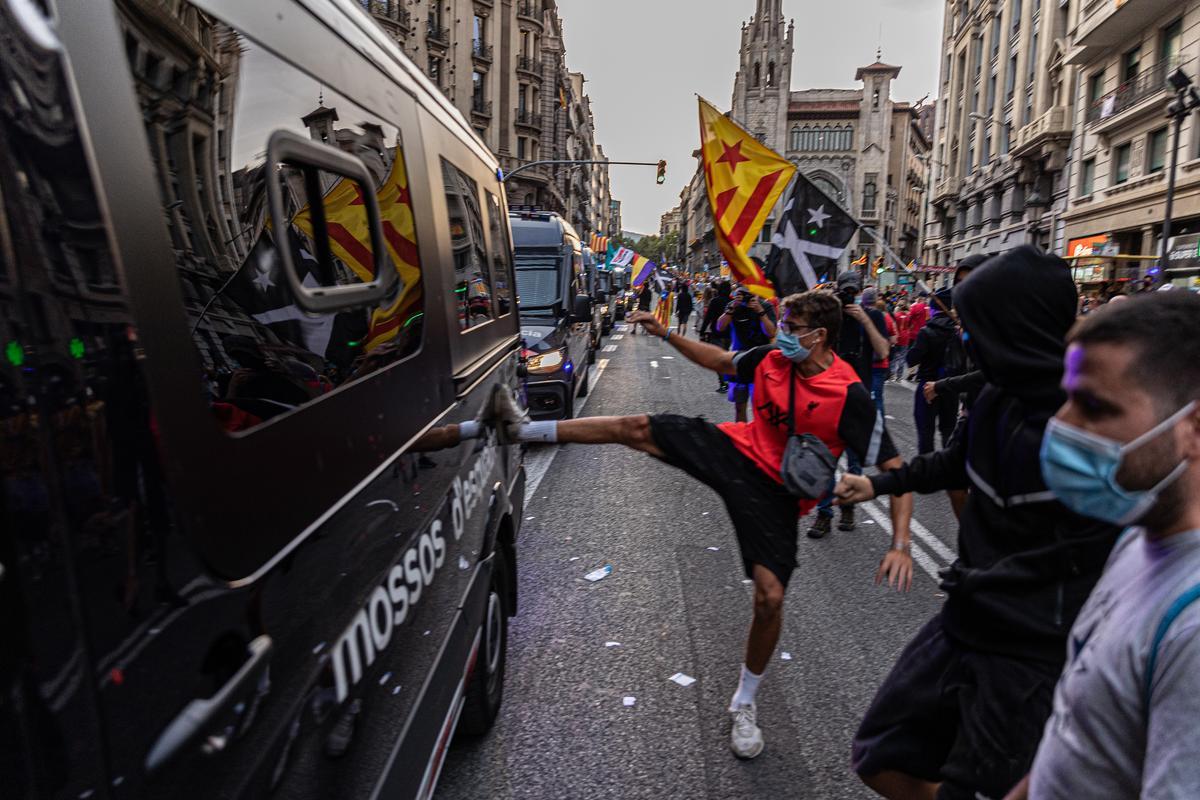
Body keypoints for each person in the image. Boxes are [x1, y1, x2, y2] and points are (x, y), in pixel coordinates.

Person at [506, 291, 914, 760]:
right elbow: (721, 361)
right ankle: (522, 429)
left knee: (770, 597)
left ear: (818, 335)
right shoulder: (772, 356)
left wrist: (900, 542)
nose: (781, 331)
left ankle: (744, 702)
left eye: (791, 324)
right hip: (736, 450)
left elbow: (897, 470)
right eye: (781, 321)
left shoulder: (849, 395)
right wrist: (667, 333)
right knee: (635, 428)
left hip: (778, 493)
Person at [835, 246, 1121, 800]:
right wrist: (879, 484)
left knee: (979, 785)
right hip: (966, 622)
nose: (968, 338)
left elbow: (1092, 558)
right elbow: (954, 462)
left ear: (1014, 327)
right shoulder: (996, 397)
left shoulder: (1088, 431)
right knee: (881, 755)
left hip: (1028, 656)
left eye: (977, 325)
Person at [1003, 292, 1200, 800]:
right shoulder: (1141, 536)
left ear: (1193, 429)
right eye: (1066, 397)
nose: (1061, 425)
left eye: (1093, 406)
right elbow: (1082, 739)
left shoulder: (1192, 629)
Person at [808, 272, 892, 538]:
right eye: (844, 292)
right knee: (825, 461)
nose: (848, 297)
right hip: (829, 397)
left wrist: (864, 318)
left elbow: (883, 351)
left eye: (851, 292)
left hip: (858, 397)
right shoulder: (831, 319)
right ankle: (823, 513)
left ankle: (848, 507)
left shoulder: (873, 316)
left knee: (855, 463)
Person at [908, 288, 960, 455]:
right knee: (948, 431)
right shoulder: (958, 331)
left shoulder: (927, 332)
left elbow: (912, 359)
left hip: (927, 386)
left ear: (933, 309)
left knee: (925, 433)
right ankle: (947, 468)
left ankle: (927, 470)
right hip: (950, 386)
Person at [716, 287, 778, 422]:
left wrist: (760, 312)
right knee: (739, 406)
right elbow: (720, 326)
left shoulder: (765, 306)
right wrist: (731, 309)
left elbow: (771, 332)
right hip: (740, 360)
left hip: (761, 362)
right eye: (742, 293)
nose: (746, 297)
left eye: (748, 294)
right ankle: (741, 434)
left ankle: (759, 436)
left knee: (761, 407)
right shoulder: (733, 307)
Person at [868, 291, 898, 415]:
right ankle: (880, 426)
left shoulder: (862, 315)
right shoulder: (888, 318)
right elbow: (894, 339)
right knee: (878, 397)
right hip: (881, 363)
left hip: (864, 362)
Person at [891, 300, 911, 382]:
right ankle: (899, 376)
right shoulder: (908, 316)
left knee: (894, 357)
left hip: (897, 337)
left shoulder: (896, 315)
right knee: (902, 358)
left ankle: (892, 374)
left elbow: (893, 327)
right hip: (905, 337)